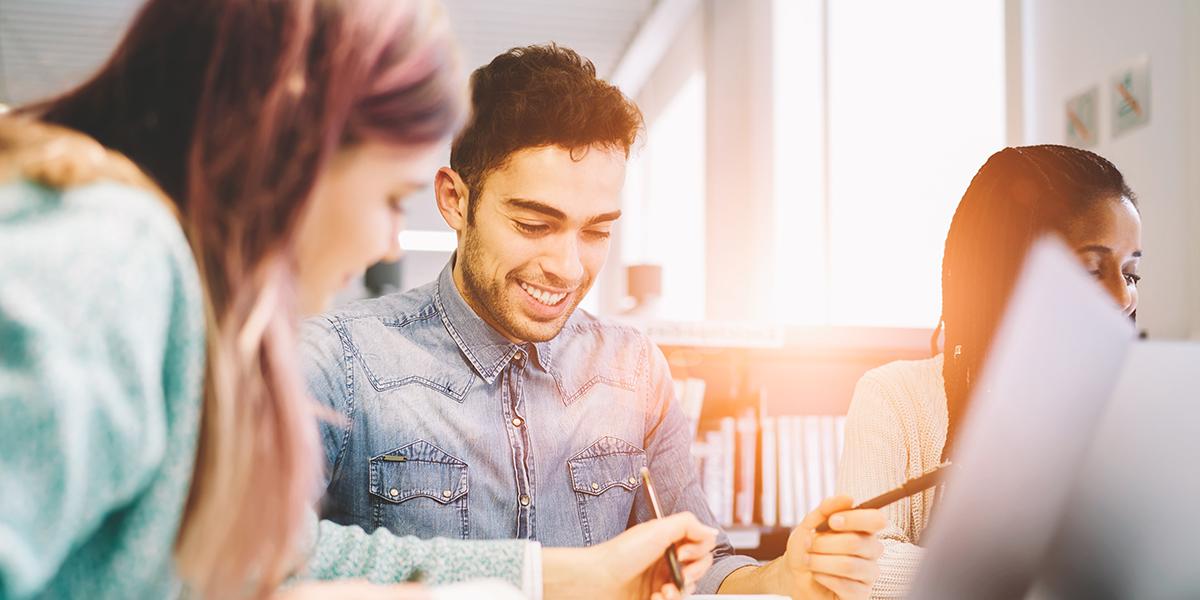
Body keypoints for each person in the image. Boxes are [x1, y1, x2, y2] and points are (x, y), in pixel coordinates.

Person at [0, 1, 714, 599]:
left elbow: (215, 566)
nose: (388, 242)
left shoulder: (171, 289)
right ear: (295, 147)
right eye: (388, 197)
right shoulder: (115, 258)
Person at [303, 43, 887, 599]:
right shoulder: (338, 361)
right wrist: (541, 579)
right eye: (534, 225)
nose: (567, 266)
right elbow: (264, 557)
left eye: (597, 231)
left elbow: (696, 571)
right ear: (455, 200)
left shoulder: (634, 371)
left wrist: (784, 579)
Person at [835, 145, 1143, 598]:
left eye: (1132, 273)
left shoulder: (1132, 412)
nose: (1123, 298)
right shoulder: (893, 396)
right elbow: (864, 566)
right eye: (1094, 270)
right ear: (1010, 271)